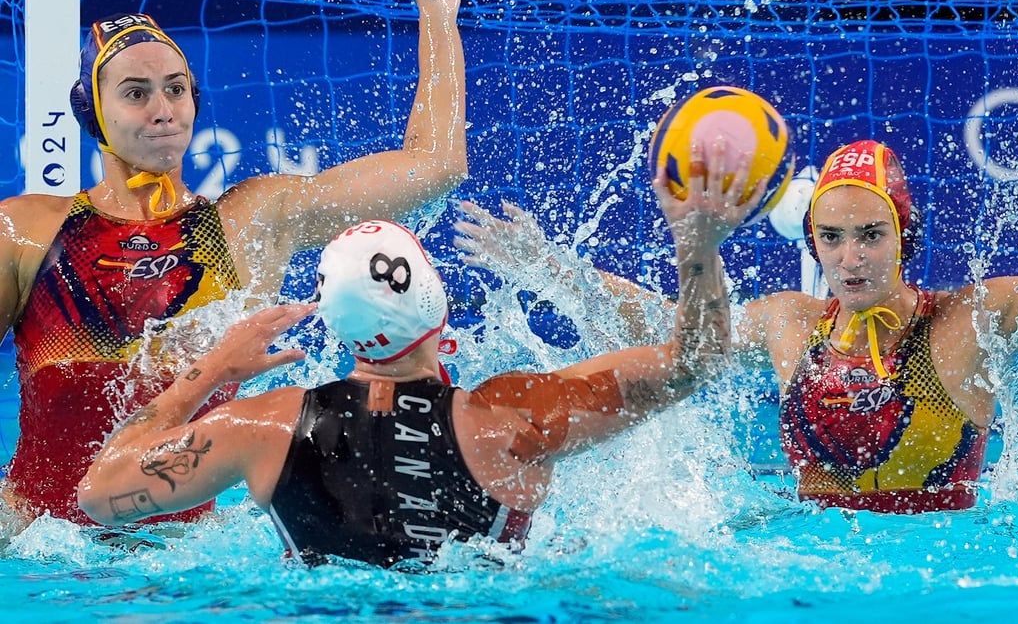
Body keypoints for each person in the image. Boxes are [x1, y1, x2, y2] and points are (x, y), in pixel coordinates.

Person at [453, 30, 1018, 514]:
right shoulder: (790, 322)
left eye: (870, 234)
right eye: (832, 237)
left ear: (903, 233)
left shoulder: (975, 318)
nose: (851, 257)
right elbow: (667, 333)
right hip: (808, 559)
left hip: (946, 573)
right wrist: (554, 271)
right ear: (812, 242)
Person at [76, 146, 756, 567]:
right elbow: (695, 362)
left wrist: (214, 370)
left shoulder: (262, 428)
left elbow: (99, 493)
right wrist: (698, 245)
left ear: (336, 328)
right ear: (439, 314)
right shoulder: (510, 419)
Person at [0, 0, 468, 526]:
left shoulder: (248, 222)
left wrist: (438, 11)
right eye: (136, 92)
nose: (163, 109)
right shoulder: (27, 231)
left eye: (176, 89)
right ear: (92, 110)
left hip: (180, 560)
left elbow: (435, 165)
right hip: (32, 548)